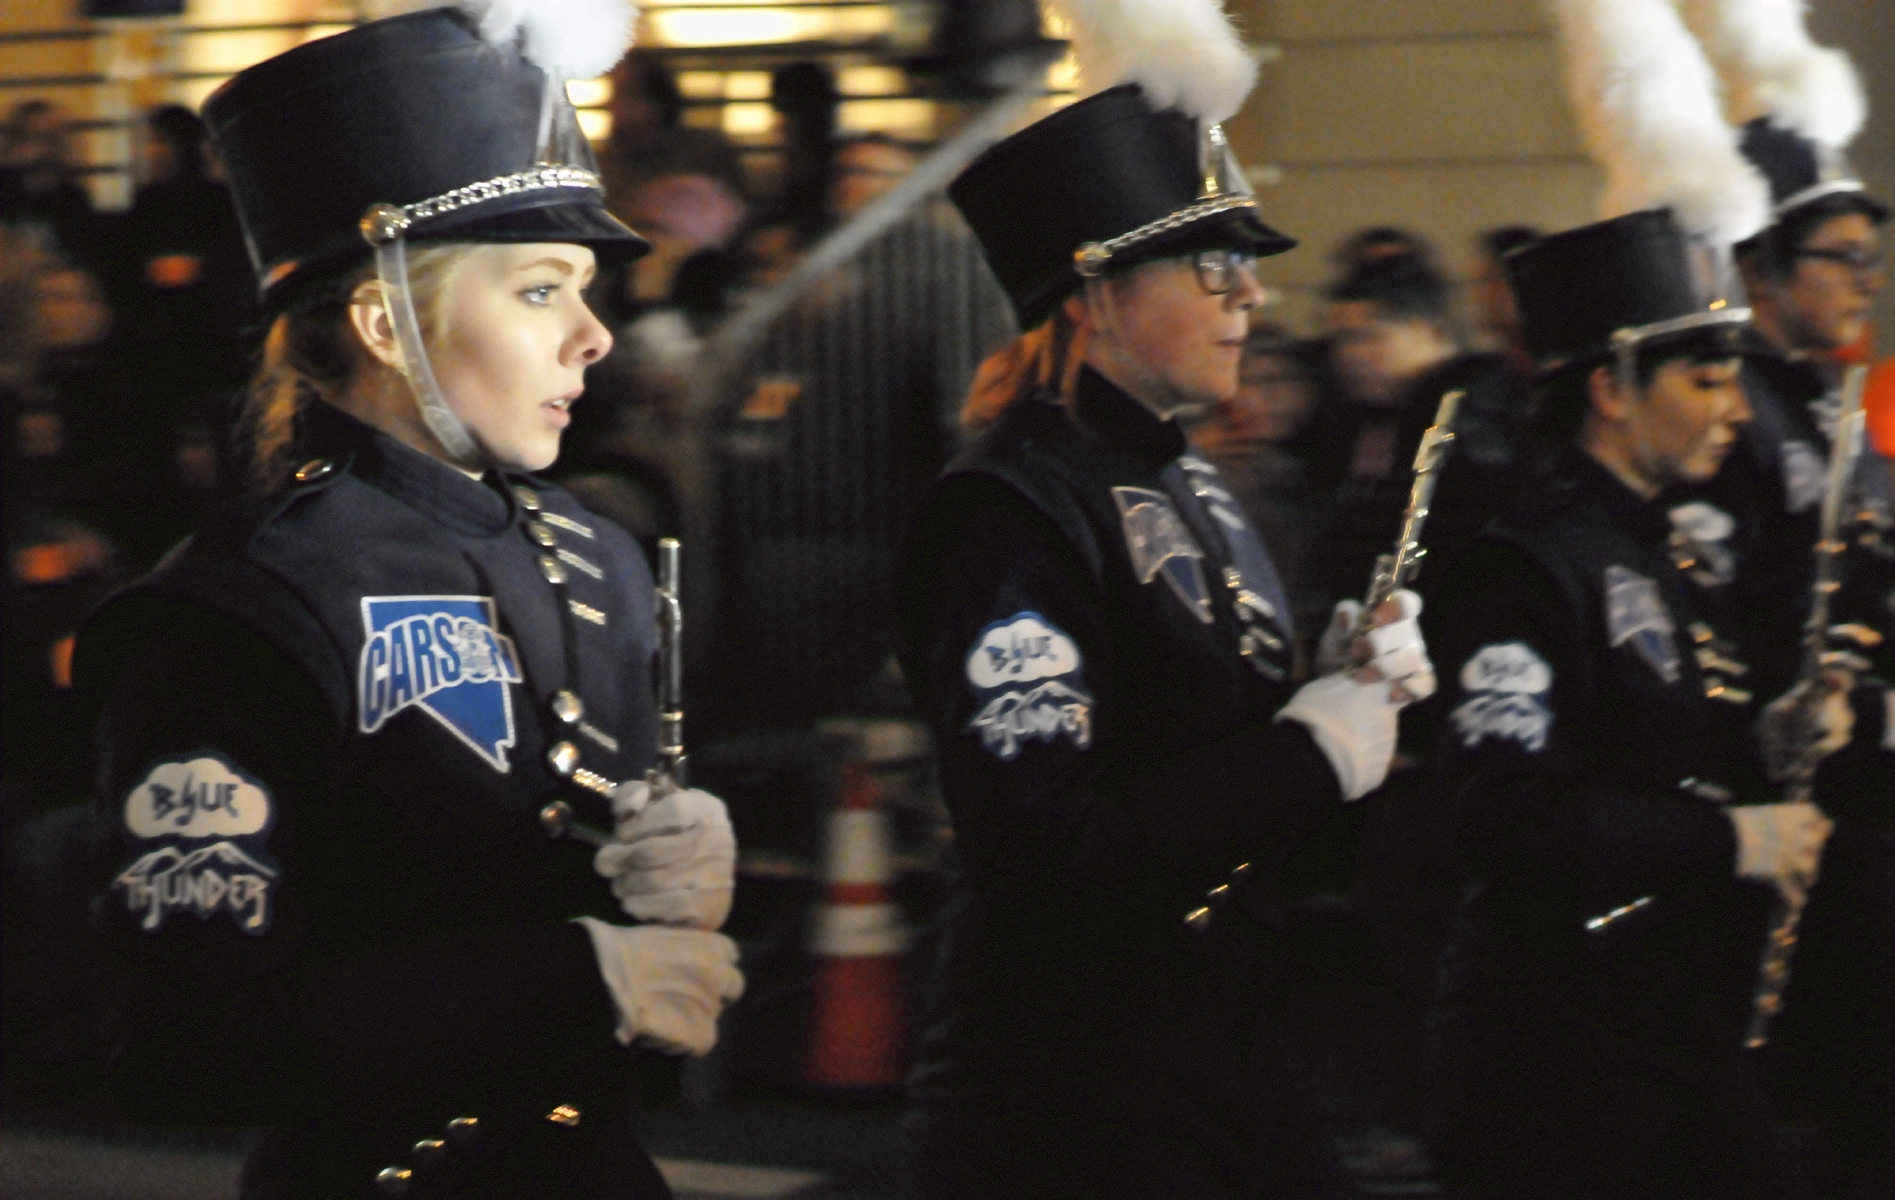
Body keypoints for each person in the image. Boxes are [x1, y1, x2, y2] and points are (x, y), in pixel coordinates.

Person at [71, 6, 743, 1197]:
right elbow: (179, 1046)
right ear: (386, 323)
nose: (593, 335)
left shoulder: (604, 560)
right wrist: (575, 973)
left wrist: (667, 872)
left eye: (584, 290)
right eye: (541, 290)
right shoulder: (243, 602)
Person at [895, 3, 1437, 1193]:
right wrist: (1303, 754)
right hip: (1074, 1089)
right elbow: (1045, 846)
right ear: (1090, 290)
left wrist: (1339, 692)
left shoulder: (1191, 475)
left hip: (1232, 1048)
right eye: (1212, 263)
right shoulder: (1009, 507)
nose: (1250, 297)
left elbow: (1195, 736)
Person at [1420, 206, 1871, 1200]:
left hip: (1665, 1022)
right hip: (1551, 1054)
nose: (1738, 410)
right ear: (1609, 391)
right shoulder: (1526, 566)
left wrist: (1771, 735)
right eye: (1705, 381)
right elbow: (1500, 816)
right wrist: (1732, 841)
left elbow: (1663, 751)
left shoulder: (1659, 551)